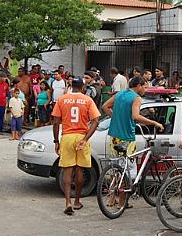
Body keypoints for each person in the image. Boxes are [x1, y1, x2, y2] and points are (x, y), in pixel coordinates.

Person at [102, 76, 164, 206]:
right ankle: (122, 203)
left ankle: (112, 198)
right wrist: (154, 122)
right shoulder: (136, 98)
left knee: (117, 168)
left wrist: (116, 118)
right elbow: (136, 116)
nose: (145, 90)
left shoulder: (119, 94)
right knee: (127, 171)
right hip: (127, 137)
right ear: (139, 86)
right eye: (145, 87)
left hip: (113, 136)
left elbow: (105, 106)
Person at [52, 77, 101, 215]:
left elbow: (56, 122)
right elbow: (96, 121)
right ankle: (77, 201)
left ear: (71, 85)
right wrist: (85, 138)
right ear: (83, 87)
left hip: (67, 137)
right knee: (80, 170)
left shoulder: (62, 99)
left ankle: (67, 202)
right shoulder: (87, 100)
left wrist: (56, 141)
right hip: (81, 137)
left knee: (67, 171)